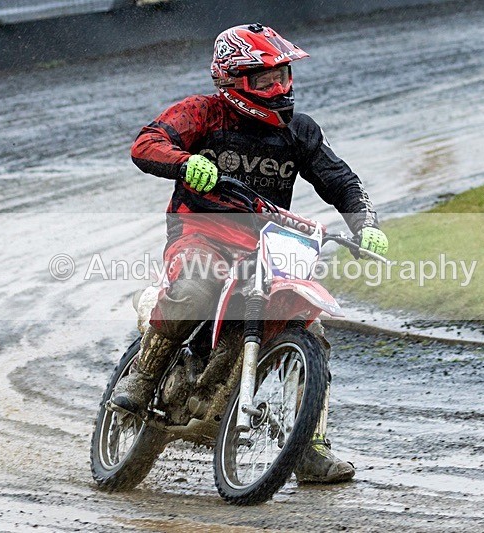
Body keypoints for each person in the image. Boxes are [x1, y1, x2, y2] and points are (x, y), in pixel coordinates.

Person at [111, 23, 388, 484]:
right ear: (233, 81)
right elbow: (146, 144)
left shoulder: (299, 131)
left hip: (266, 243)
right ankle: (141, 378)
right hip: (200, 232)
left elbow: (342, 181)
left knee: (308, 328)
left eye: (283, 76)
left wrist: (366, 223)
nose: (278, 89)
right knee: (195, 288)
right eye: (264, 81)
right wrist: (186, 163)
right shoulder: (202, 112)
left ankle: (311, 450)